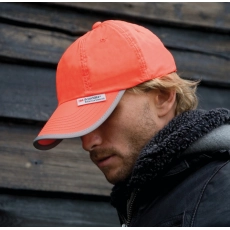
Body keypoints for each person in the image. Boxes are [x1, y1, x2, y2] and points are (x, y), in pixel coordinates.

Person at [33, 20, 230, 227]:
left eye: (105, 115)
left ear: (163, 97)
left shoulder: (221, 192)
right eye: (81, 123)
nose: (88, 142)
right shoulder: (146, 197)